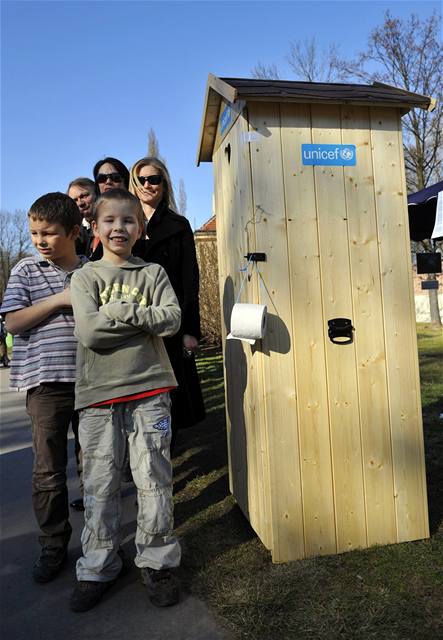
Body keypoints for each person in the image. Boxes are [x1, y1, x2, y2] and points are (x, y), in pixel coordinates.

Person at [69, 189, 182, 612]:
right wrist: (141, 324)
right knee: (100, 484)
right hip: (98, 397)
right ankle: (98, 564)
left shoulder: (153, 273)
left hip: (150, 389)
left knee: (153, 479)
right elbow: (90, 334)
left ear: (141, 228)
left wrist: (122, 312)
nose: (120, 228)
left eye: (129, 221)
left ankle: (157, 561)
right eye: (110, 221)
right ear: (95, 228)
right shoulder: (84, 278)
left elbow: (171, 320)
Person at [0, 193, 86, 582]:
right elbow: (13, 323)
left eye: (49, 233)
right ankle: (53, 545)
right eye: (35, 233)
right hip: (46, 384)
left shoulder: (92, 270)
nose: (40, 240)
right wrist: (59, 301)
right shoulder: (25, 270)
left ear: (73, 231)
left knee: (96, 467)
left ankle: (101, 542)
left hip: (91, 381)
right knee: (48, 471)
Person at [129, 157, 205, 450]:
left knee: (169, 395)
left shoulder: (178, 225)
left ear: (164, 184)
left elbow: (190, 281)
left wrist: (190, 330)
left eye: (154, 179)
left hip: (169, 325)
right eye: (142, 179)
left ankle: (165, 456)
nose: (148, 185)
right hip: (133, 324)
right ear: (134, 184)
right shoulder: (123, 223)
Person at [67, 177, 98, 259]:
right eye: (75, 200)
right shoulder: (74, 235)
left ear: (97, 193)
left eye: (84, 196)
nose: (80, 203)